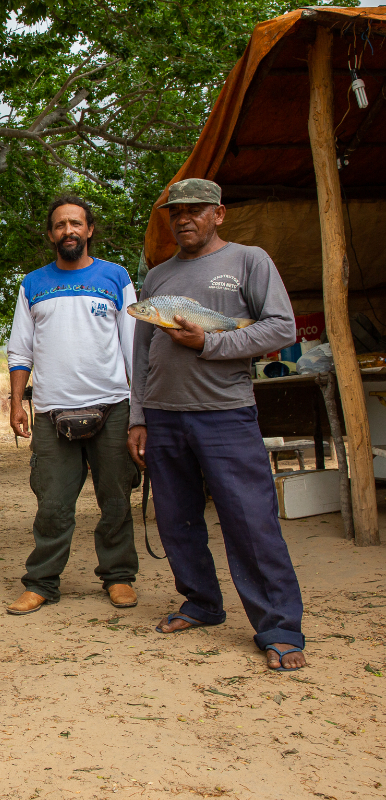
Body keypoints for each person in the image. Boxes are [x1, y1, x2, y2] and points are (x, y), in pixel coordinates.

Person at [127, 178, 305, 672]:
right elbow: (142, 351)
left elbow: (280, 327)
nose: (183, 219)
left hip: (225, 415)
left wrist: (210, 344)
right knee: (177, 520)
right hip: (163, 416)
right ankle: (201, 604)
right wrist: (139, 416)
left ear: (218, 214)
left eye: (195, 211)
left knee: (250, 522)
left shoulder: (249, 261)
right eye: (175, 212)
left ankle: (279, 627)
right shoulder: (158, 275)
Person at [5, 196, 140, 616]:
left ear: (89, 229)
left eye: (76, 223)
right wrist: (16, 403)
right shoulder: (32, 284)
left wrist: (142, 411)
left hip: (113, 406)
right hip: (51, 411)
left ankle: (118, 576)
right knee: (52, 504)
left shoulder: (116, 277)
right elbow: (20, 350)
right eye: (61, 225)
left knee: (116, 497)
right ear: (51, 235)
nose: (69, 231)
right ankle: (42, 582)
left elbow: (134, 348)